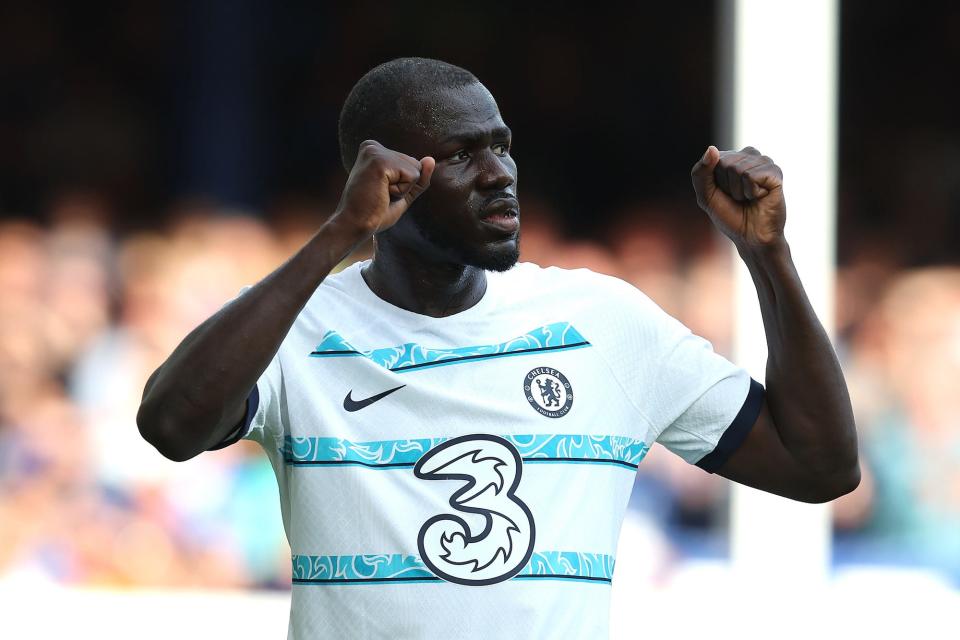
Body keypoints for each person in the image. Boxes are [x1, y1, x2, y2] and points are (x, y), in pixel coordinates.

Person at [137, 57, 860, 638]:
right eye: (459, 154)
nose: (499, 174)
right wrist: (336, 237)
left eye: (502, 145)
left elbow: (819, 465)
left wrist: (768, 256)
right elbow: (171, 426)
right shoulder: (299, 328)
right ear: (381, 181)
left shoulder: (603, 321)